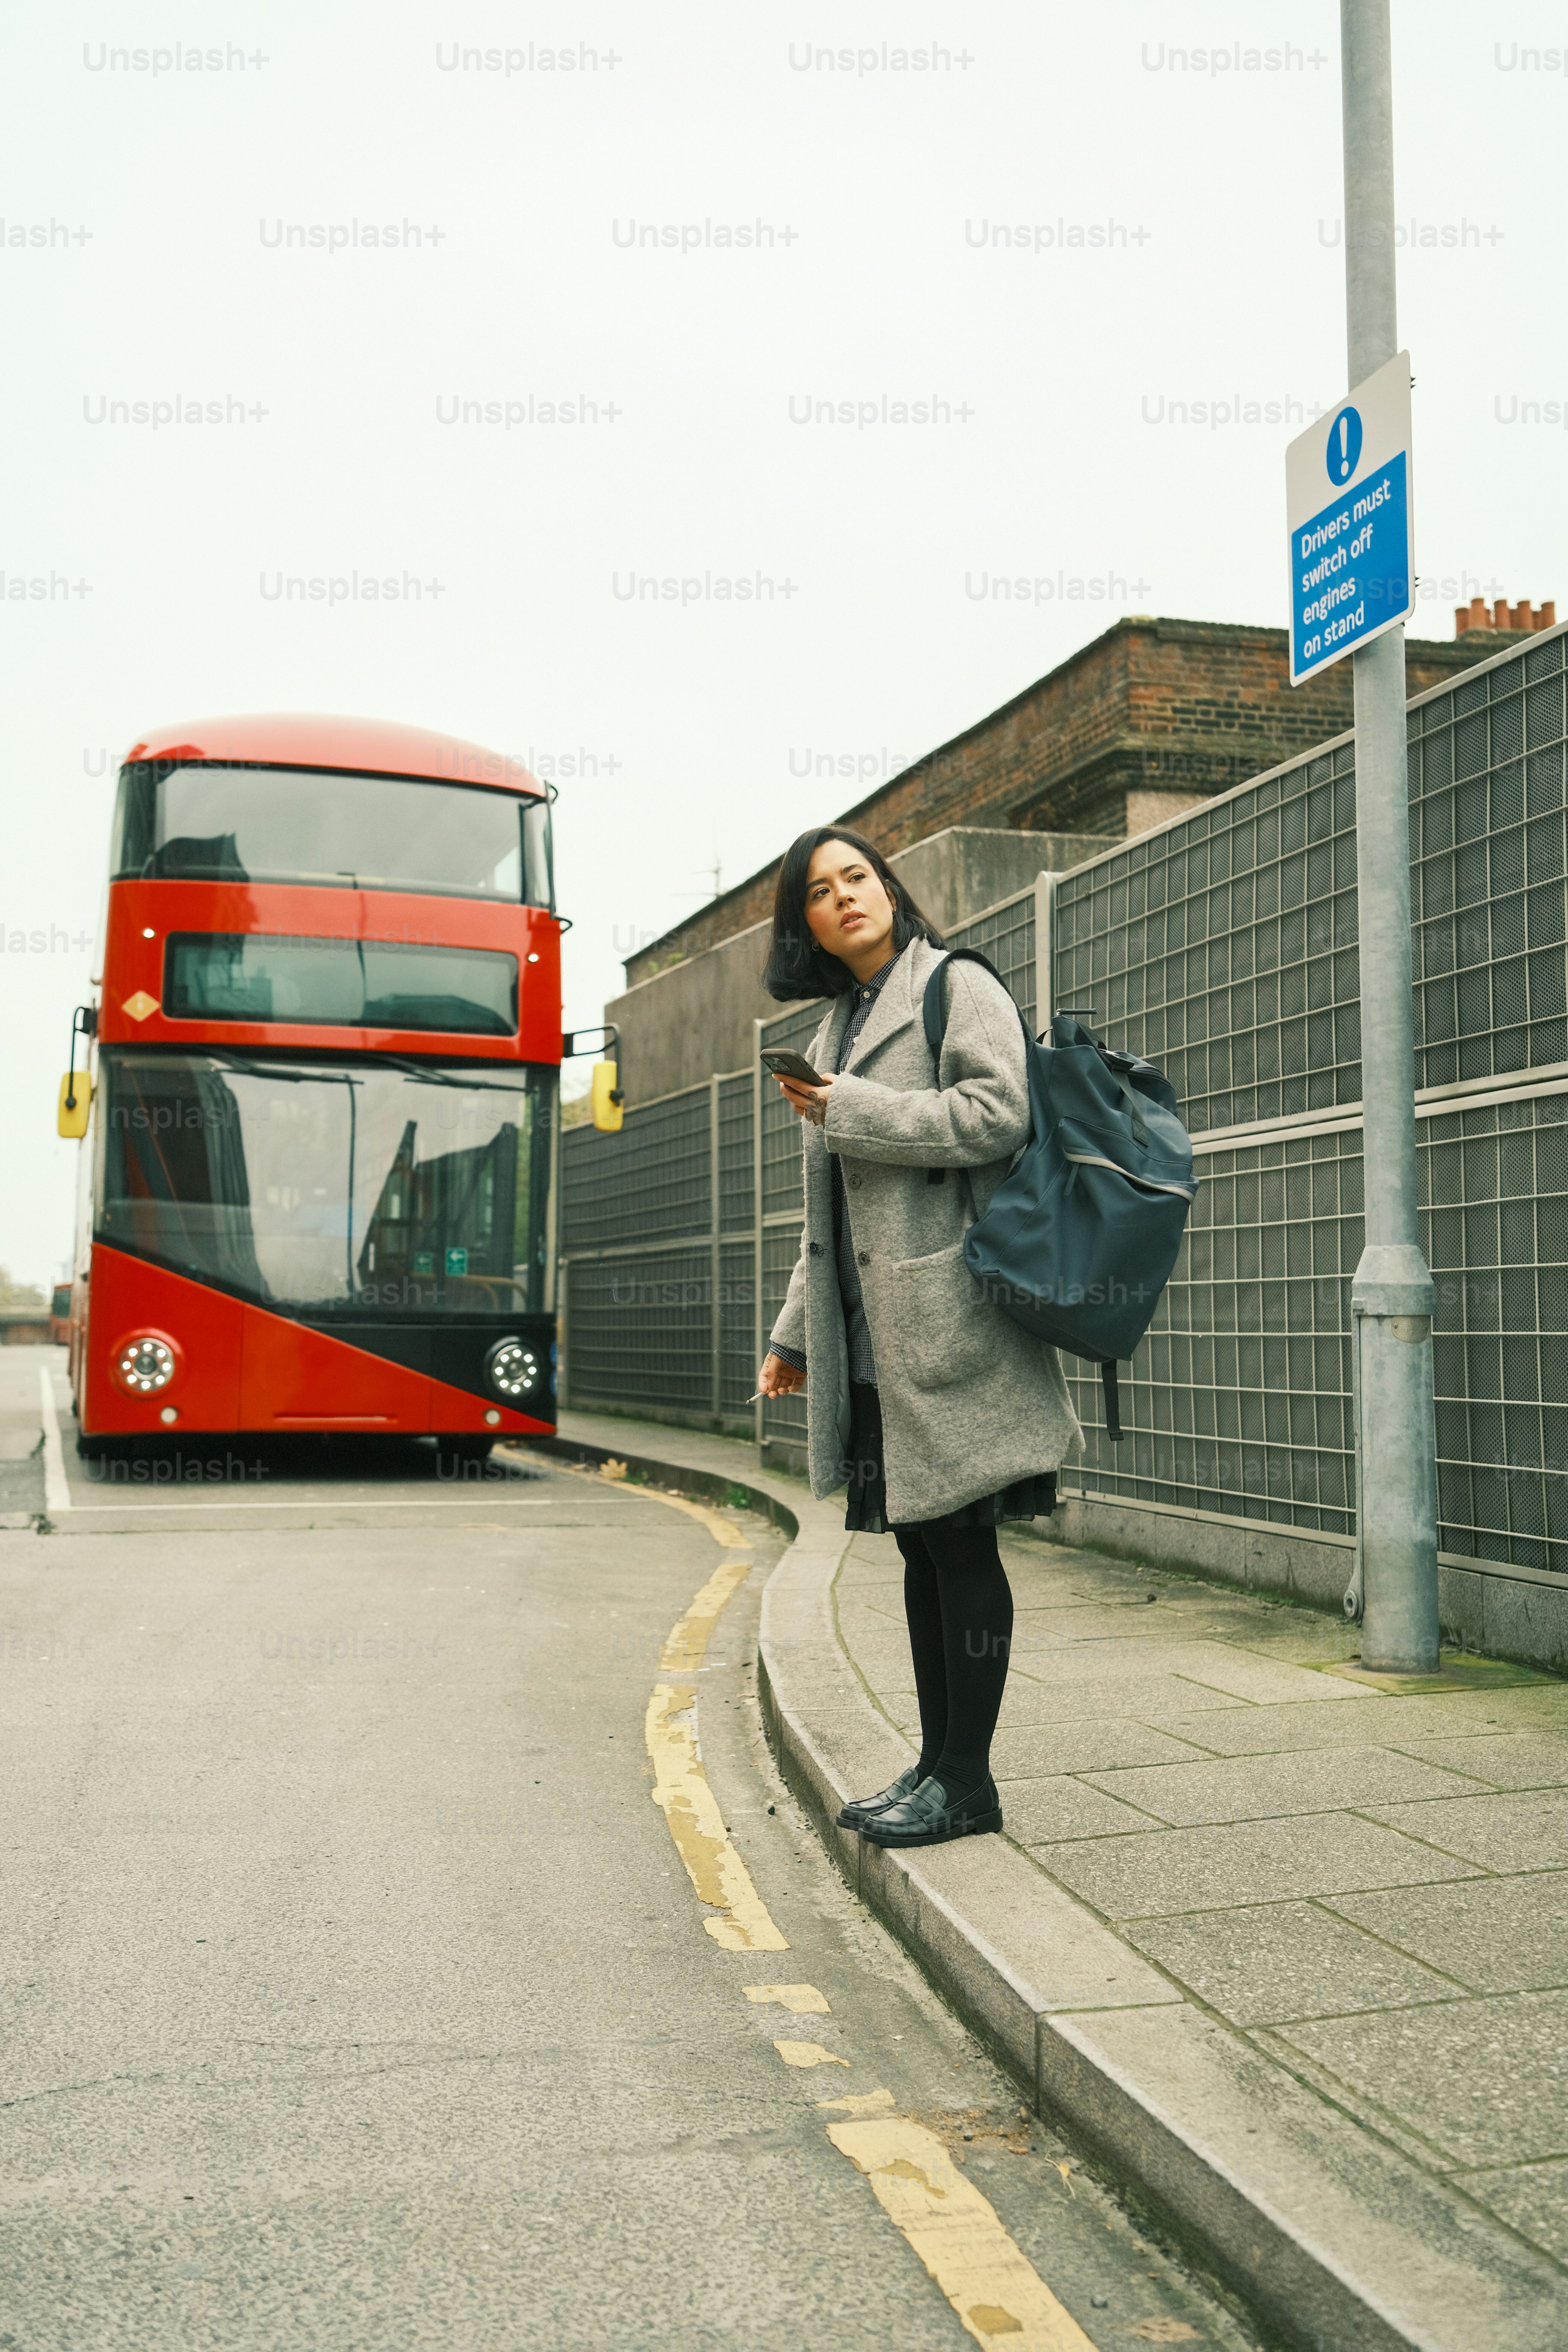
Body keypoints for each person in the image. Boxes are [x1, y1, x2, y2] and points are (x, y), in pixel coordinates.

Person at [756, 827, 1081, 1848]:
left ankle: (969, 1782)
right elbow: (832, 1222)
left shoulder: (956, 985)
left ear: (889, 888)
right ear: (804, 922)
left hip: (951, 1318)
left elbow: (999, 1115)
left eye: (859, 875)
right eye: (822, 889)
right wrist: (795, 1340)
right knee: (916, 1543)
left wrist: (852, 1108)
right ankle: (939, 1766)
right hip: (873, 1331)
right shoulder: (833, 1030)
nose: (846, 896)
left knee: (960, 1540)